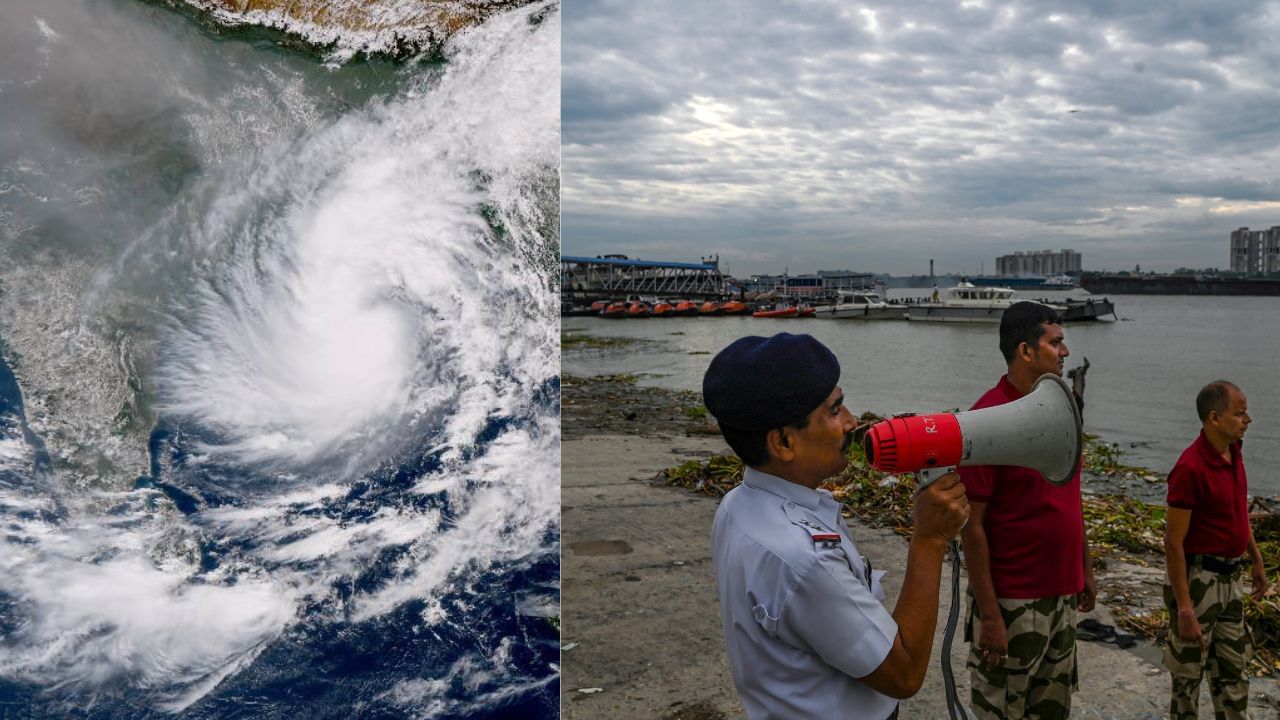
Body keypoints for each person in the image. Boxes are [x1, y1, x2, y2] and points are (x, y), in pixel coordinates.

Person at [703, 332, 970, 720]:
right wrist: (929, 539)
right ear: (783, 443)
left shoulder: (738, 505)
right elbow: (905, 674)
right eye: (834, 410)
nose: (852, 422)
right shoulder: (802, 559)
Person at [958, 301, 1095, 720]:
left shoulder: (1062, 411)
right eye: (1056, 343)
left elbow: (1071, 496)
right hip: (1014, 600)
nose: (1066, 352)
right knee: (1002, 707)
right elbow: (972, 527)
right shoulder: (989, 420)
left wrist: (1084, 570)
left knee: (1053, 709)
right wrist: (991, 614)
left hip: (1062, 595)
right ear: (1026, 351)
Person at [1163, 380, 1268, 720]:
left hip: (1231, 579)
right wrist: (1184, 609)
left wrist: (1256, 558)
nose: (1247, 419)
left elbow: (1238, 513)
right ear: (1214, 418)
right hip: (1199, 580)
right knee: (1187, 679)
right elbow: (1173, 542)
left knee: (1233, 675)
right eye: (1239, 414)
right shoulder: (1190, 468)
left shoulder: (1234, 452)